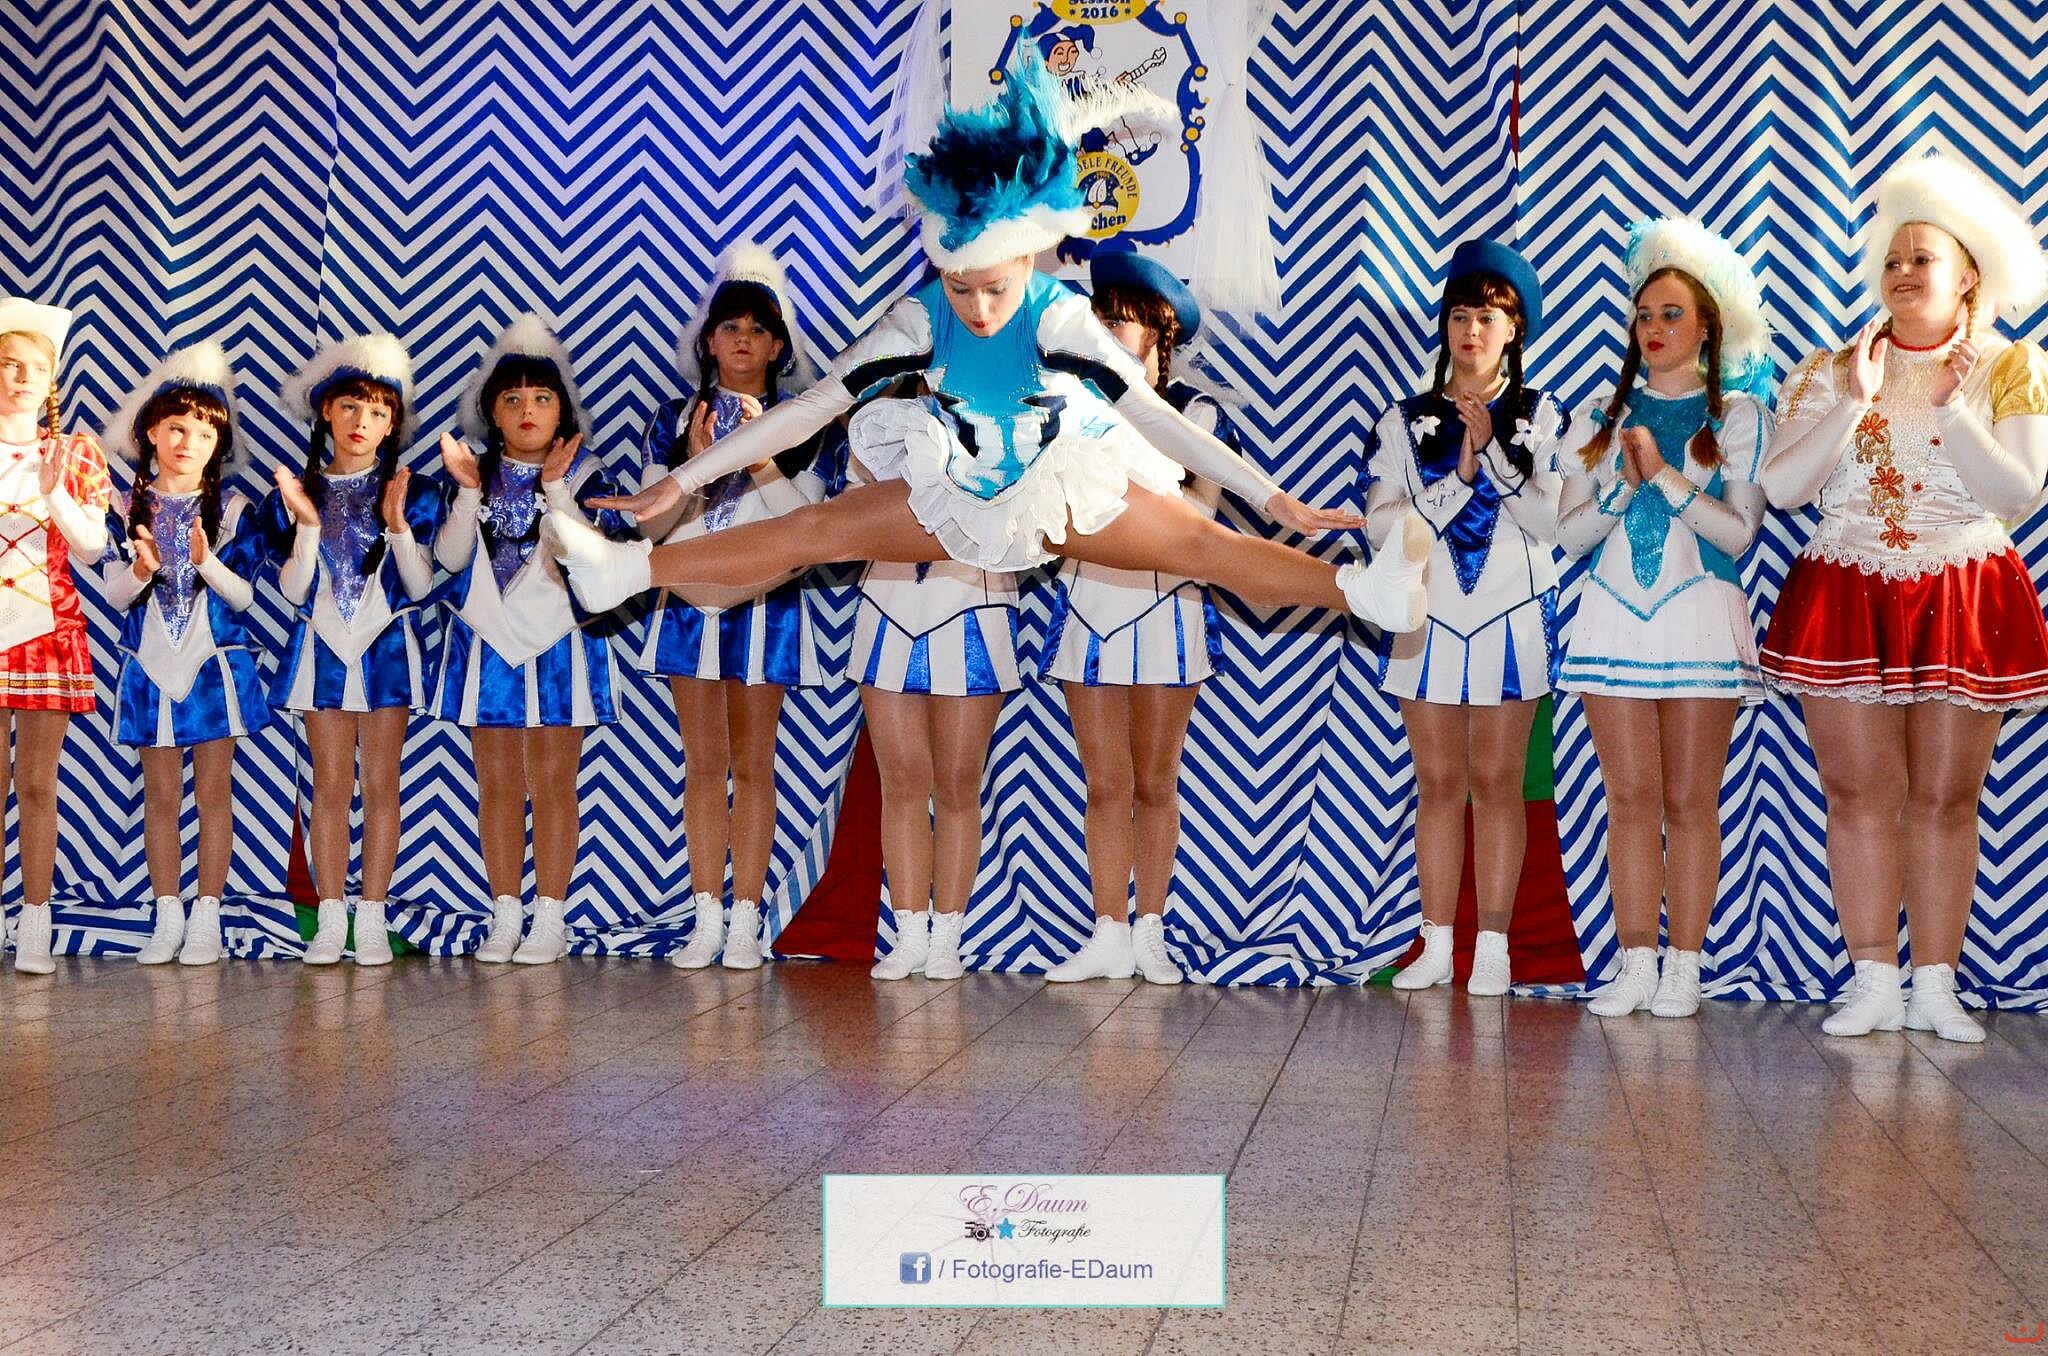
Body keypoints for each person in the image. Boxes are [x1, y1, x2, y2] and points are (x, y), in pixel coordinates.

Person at [1758, 153, 2048, 1042]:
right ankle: (1873, 979)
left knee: (1947, 799)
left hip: (1961, 592)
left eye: (1923, 257)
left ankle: (1937, 985)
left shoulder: (2011, 365)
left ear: (1969, 275)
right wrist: (1855, 400)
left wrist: (1954, 407)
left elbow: (2017, 491)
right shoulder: (1830, 368)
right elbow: (1782, 487)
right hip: (1848, 589)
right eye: (1892, 258)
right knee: (1857, 793)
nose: (1903, 271)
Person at [1555, 218, 1775, 1019]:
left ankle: (1685, 964)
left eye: (1672, 314)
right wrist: (1623, 483)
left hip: (1700, 619)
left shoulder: (1742, 416)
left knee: (1689, 801)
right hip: (1613, 618)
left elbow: (1739, 535)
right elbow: (1570, 537)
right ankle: (1635, 962)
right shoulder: (1597, 414)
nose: (1653, 328)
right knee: (1629, 800)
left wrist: (1665, 479)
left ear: (1708, 326)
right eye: (1644, 315)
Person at [1369, 240, 1566, 998]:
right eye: (1459, 315)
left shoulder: (1543, 415)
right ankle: (1437, 943)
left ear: (1513, 329)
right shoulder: (1404, 420)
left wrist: (1496, 458)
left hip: (1513, 615)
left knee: (1498, 780)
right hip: (1428, 617)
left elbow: (1551, 524)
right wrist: (1456, 479)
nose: (1471, 330)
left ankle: (1493, 949)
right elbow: (1379, 528)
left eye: (1487, 317)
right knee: (1438, 781)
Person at [102, 344, 270, 965]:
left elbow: (245, 596)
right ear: (151, 431)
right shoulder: (123, 508)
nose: (188, 442)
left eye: (204, 433)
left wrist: (207, 563)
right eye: (176, 428)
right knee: (159, 796)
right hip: (150, 665)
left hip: (213, 665)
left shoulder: (234, 510)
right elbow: (114, 594)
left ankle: (207, 916)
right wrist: (141, 571)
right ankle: (166, 914)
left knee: (214, 794)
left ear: (218, 444)